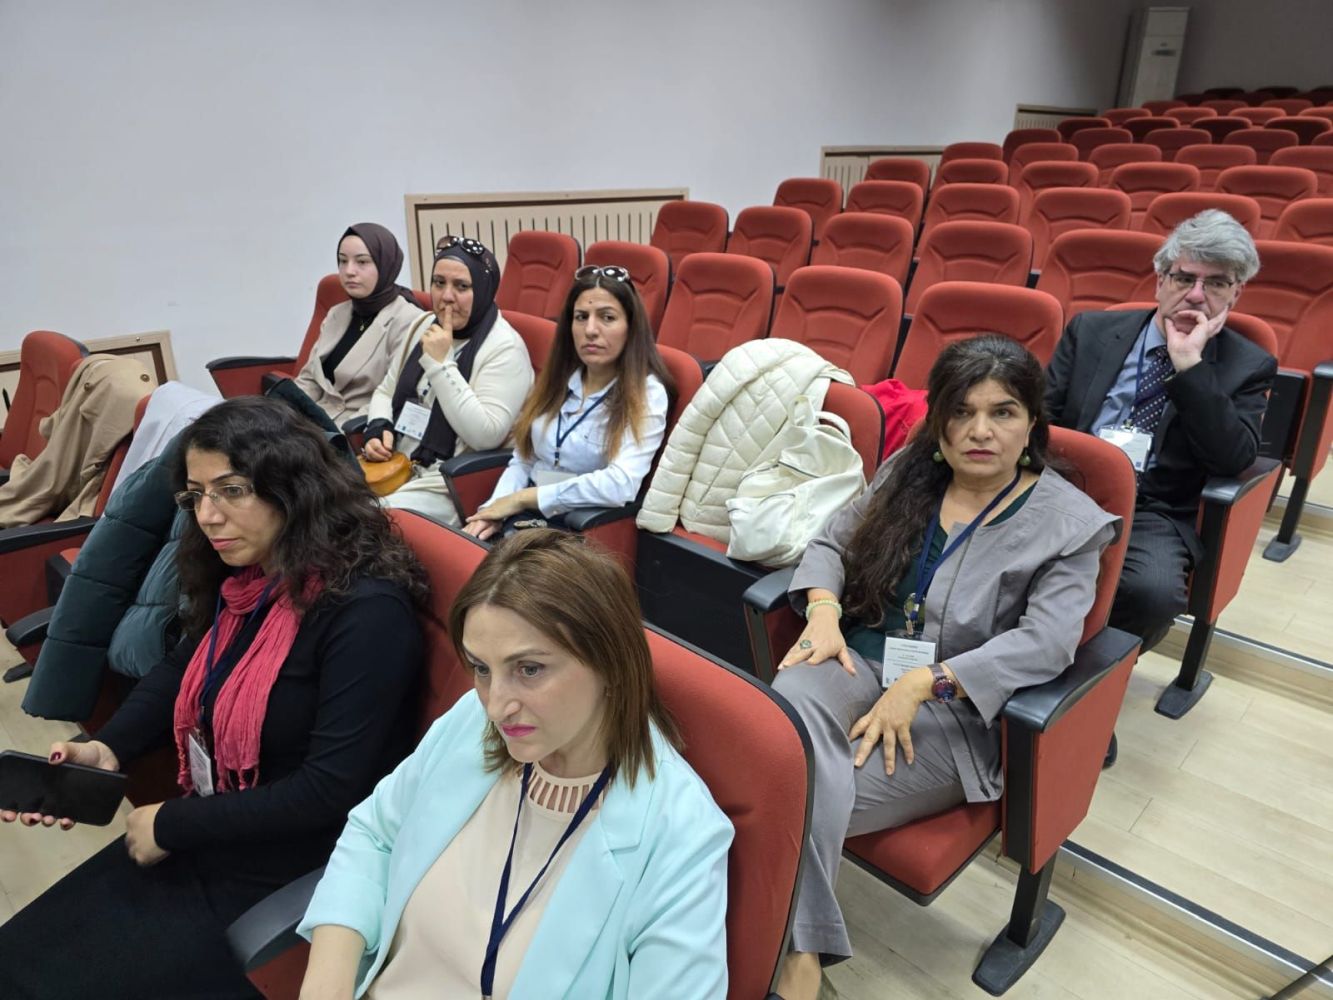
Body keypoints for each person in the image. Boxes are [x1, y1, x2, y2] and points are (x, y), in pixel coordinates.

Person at [0, 396, 428, 999]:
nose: (207, 515)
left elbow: (329, 792)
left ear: (293, 489)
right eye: (196, 495)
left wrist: (174, 823)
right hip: (221, 827)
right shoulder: (253, 576)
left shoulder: (367, 613)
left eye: (231, 491)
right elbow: (183, 666)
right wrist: (108, 749)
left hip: (286, 870)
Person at [770, 335, 1120, 1000]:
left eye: (1002, 412)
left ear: (1032, 423)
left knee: (792, 793)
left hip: (955, 714)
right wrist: (822, 611)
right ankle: (797, 944)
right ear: (939, 422)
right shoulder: (911, 470)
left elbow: (1048, 642)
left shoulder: (1070, 525)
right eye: (961, 412)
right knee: (778, 733)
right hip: (854, 654)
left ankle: (793, 951)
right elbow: (830, 543)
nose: (980, 431)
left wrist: (924, 682)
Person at [297, 530, 733, 1000]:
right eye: (482, 668)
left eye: (529, 669)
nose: (496, 705)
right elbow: (376, 834)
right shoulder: (473, 721)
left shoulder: (680, 832)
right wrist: (328, 981)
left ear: (610, 663)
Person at [1044, 209, 1276, 654]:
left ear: (1236, 293)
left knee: (1151, 595)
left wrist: (1190, 366)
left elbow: (1232, 458)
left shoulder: (1248, 365)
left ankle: (1088, 672)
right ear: (1160, 280)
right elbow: (1043, 416)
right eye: (1184, 278)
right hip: (1065, 484)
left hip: (1154, 508)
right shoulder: (1091, 331)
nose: (1196, 295)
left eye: (1216, 284)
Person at [464, 265, 673, 539]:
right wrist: (493, 510)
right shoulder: (559, 378)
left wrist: (524, 498)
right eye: (581, 317)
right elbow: (524, 460)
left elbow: (621, 484)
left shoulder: (647, 393)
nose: (591, 330)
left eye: (607, 317)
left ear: (631, 327)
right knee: (464, 547)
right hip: (524, 519)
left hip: (578, 530)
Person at [362, 236, 534, 526]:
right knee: (324, 500)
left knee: (361, 519)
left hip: (448, 482)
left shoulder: (505, 348)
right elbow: (385, 390)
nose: (446, 296)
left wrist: (441, 365)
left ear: (483, 289)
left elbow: (486, 436)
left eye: (462, 287)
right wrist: (378, 426)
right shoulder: (423, 324)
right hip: (397, 463)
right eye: (439, 283)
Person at [292, 223, 426, 427]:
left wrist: (327, 431)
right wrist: (281, 415)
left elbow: (393, 397)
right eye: (342, 261)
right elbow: (310, 379)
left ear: (385, 264)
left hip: (354, 429)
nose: (349, 271)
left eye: (362, 262)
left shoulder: (409, 320)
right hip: (311, 422)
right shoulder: (337, 313)